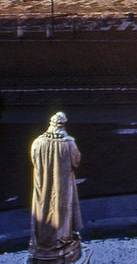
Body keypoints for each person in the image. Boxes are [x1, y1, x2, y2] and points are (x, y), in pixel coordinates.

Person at [29, 112, 82, 262]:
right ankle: (61, 240)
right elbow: (76, 161)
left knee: (42, 210)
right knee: (61, 211)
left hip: (42, 184)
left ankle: (41, 241)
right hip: (62, 185)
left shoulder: (38, 142)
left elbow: (33, 159)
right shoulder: (69, 143)